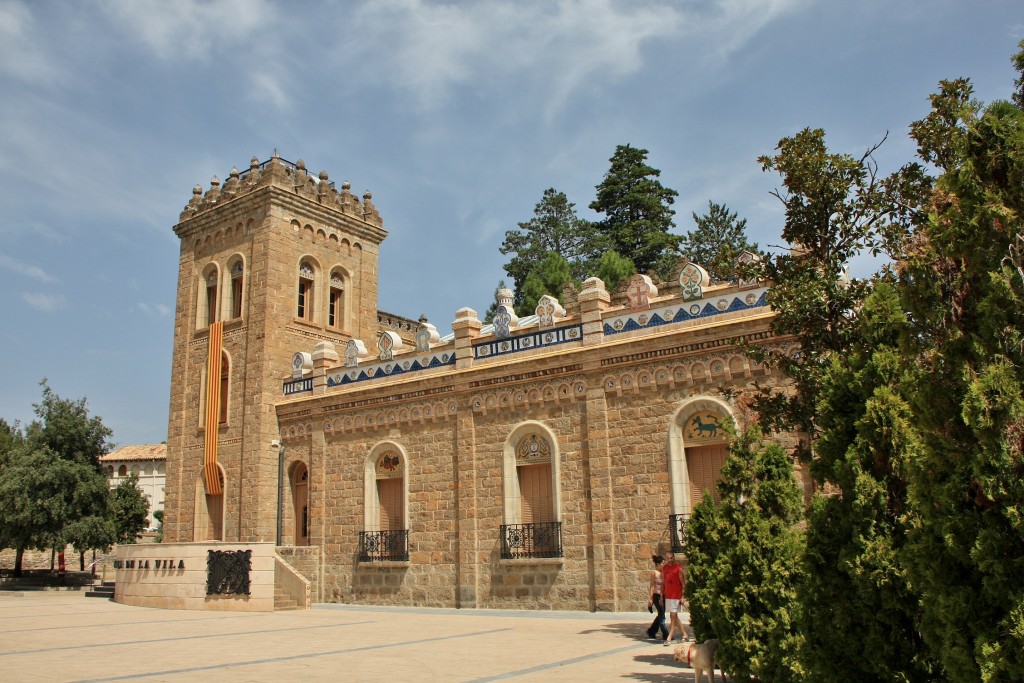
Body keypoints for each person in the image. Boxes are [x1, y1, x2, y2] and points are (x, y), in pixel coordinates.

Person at [662, 550, 687, 645]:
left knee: (672, 616)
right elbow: (664, 582)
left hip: (676, 596)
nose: (669, 560)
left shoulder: (678, 568)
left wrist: (683, 596)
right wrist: (661, 595)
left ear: (674, 558)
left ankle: (669, 637)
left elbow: (683, 584)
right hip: (668, 596)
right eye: (667, 558)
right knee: (674, 616)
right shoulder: (664, 568)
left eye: (671, 558)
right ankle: (684, 634)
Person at [646, 554, 668, 640]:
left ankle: (652, 631)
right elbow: (651, 586)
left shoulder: (664, 572)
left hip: (663, 596)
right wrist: (650, 598)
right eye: (662, 563)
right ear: (658, 564)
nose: (664, 564)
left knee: (660, 614)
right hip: (656, 596)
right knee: (662, 615)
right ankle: (666, 634)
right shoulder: (654, 573)